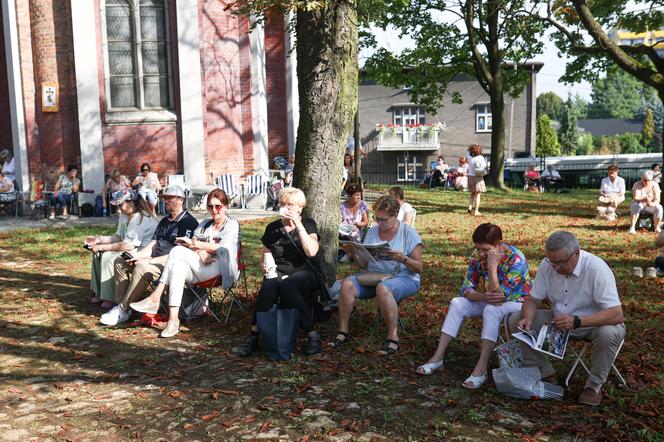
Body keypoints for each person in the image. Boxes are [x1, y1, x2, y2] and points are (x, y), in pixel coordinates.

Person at [509, 231, 625, 406]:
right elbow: (533, 299)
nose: (555, 267)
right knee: (516, 319)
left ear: (576, 253)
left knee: (608, 333)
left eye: (560, 262)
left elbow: (616, 314)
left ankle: (594, 386)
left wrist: (578, 321)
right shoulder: (548, 265)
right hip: (559, 321)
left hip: (594, 323)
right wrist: (528, 317)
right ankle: (545, 372)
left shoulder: (596, 268)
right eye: (551, 261)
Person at [416, 224, 531, 387]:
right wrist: (483, 296)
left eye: (485, 249)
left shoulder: (516, 258)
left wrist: (492, 267)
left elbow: (499, 297)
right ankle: (437, 357)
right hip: (490, 299)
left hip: (516, 303)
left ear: (499, 244)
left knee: (492, 309)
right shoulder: (478, 255)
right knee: (457, 303)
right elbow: (466, 288)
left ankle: (481, 368)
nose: (481, 253)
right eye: (478, 249)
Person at [130, 189, 239, 338]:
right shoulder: (205, 224)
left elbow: (222, 248)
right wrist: (202, 251)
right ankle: (173, 321)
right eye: (210, 207)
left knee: (177, 251)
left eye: (218, 206)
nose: (214, 210)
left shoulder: (232, 225)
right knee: (177, 267)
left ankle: (155, 297)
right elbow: (194, 247)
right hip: (202, 264)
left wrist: (198, 245)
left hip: (220, 267)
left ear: (226, 206)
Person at [233, 187, 323, 356]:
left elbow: (312, 252)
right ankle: (253, 336)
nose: (285, 208)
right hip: (279, 271)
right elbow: (265, 253)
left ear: (300, 207)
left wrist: (298, 225)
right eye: (282, 204)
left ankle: (312, 335)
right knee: (269, 286)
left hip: (305, 271)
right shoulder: (272, 228)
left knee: (288, 285)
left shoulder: (308, 224)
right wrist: (266, 265)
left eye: (290, 205)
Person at [329, 195, 423, 355]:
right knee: (347, 284)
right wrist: (354, 252)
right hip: (373, 275)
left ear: (395, 215)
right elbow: (364, 265)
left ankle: (393, 337)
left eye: (383, 219)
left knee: (383, 288)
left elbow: (419, 268)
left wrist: (403, 258)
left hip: (404, 277)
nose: (379, 223)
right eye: (376, 218)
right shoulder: (373, 231)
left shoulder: (408, 232)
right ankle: (343, 330)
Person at [100, 185, 198, 326]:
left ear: (181, 200)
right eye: (164, 199)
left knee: (141, 267)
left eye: (169, 198)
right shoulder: (165, 221)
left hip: (172, 264)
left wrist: (148, 261)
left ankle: (122, 309)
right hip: (154, 260)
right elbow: (152, 245)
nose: (166, 201)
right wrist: (139, 256)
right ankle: (124, 306)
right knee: (121, 262)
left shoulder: (188, 222)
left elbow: (179, 254)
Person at [85, 190, 158, 308]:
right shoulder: (125, 215)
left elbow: (128, 245)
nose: (119, 209)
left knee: (108, 256)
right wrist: (98, 239)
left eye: (121, 205)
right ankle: (99, 292)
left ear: (132, 203)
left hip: (141, 252)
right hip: (130, 248)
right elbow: (118, 237)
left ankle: (111, 297)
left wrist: (102, 247)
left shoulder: (140, 218)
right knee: (97, 254)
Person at [628, 170, 662, 234]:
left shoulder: (655, 185)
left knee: (659, 208)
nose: (647, 182)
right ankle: (632, 227)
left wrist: (652, 203)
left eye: (649, 180)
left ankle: (656, 227)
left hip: (650, 205)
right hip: (639, 203)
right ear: (641, 179)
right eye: (645, 180)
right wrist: (642, 199)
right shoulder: (637, 184)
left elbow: (657, 199)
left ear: (651, 180)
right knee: (636, 206)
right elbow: (635, 197)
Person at [467, 144, 487, 216]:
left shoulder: (469, 157)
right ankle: (476, 211)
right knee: (478, 194)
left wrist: (473, 146)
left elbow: (468, 151)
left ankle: (470, 208)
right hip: (478, 177)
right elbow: (484, 166)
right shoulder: (480, 157)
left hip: (470, 176)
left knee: (472, 194)